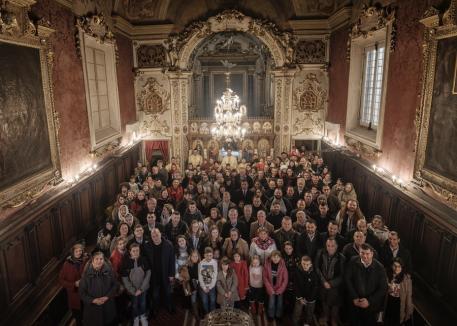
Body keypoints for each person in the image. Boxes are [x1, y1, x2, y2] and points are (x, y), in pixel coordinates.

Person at [345, 243, 388, 326]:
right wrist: (354, 297)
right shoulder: (353, 261)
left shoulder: (380, 267)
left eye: (367, 254)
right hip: (355, 302)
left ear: (372, 254)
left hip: (370, 305)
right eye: (362, 253)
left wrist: (369, 301)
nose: (365, 256)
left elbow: (383, 288)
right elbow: (347, 279)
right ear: (359, 253)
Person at [79, 251, 118, 326]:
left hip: (107, 305)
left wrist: (107, 296)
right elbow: (82, 293)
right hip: (93, 309)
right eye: (97, 259)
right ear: (92, 261)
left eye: (101, 259)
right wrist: (93, 300)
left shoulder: (109, 271)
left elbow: (115, 285)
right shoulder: (86, 275)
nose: (99, 261)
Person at [143, 229, 176, 316]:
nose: (155, 237)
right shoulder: (147, 246)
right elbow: (145, 261)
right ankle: (155, 309)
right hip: (154, 275)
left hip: (166, 274)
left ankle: (169, 306)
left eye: (157, 235)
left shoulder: (168, 245)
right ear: (151, 237)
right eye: (153, 236)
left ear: (160, 234)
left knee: (168, 293)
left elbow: (172, 260)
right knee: (155, 295)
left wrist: (172, 274)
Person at [315, 239, 345, 326]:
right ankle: (326, 317)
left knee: (335, 304)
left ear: (336, 246)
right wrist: (324, 281)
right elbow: (317, 268)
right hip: (323, 283)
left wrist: (331, 283)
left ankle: (334, 319)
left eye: (332, 246)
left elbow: (342, 275)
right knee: (324, 301)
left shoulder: (341, 257)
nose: (330, 248)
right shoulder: (320, 254)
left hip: (335, 286)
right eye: (328, 245)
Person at [121, 243, 151, 326]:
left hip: (143, 288)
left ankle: (143, 316)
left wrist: (141, 289)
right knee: (134, 305)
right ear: (130, 252)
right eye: (133, 251)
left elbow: (148, 274)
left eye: (137, 250)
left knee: (143, 303)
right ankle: (136, 317)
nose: (136, 252)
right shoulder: (126, 262)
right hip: (133, 290)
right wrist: (132, 290)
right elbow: (125, 278)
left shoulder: (144, 259)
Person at [59, 243, 88, 326]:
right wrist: (73, 284)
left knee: (88, 317)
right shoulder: (67, 264)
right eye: (77, 251)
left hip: (86, 293)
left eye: (80, 251)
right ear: (73, 253)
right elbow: (61, 280)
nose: (79, 253)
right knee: (79, 319)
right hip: (75, 296)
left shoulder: (85, 260)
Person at [384, 258, 414, 326]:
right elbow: (382, 291)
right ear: (391, 266)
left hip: (399, 303)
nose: (396, 268)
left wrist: (409, 311)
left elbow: (409, 296)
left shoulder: (406, 279)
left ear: (402, 267)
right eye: (394, 265)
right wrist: (388, 288)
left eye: (399, 266)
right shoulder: (386, 275)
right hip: (388, 302)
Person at [292, 255, 319, 326]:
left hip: (311, 297)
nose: (305, 266)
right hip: (300, 296)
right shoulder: (297, 271)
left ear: (310, 265)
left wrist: (308, 299)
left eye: (307, 264)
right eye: (303, 264)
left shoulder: (314, 273)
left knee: (309, 312)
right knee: (297, 311)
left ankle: (307, 323)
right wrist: (300, 297)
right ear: (301, 263)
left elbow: (315, 287)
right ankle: (295, 323)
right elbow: (295, 285)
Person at [263, 250, 288, 322]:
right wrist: (270, 289)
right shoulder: (267, 265)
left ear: (280, 258)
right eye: (274, 257)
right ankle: (271, 315)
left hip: (280, 288)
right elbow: (265, 278)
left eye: (278, 257)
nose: (276, 259)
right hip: (271, 288)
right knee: (271, 303)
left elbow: (285, 279)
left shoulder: (283, 266)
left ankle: (278, 315)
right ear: (271, 257)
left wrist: (280, 290)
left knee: (280, 303)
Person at [180, 250, 201, 320]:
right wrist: (192, 288)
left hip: (200, 285)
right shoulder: (187, 266)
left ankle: (200, 311)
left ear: (198, 257)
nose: (195, 258)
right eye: (193, 256)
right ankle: (196, 314)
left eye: (196, 256)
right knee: (193, 300)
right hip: (191, 286)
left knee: (201, 298)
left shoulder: (201, 264)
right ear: (190, 257)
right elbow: (185, 279)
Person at [198, 247, 218, 314]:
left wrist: (210, 287)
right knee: (204, 301)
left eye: (210, 255)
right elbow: (200, 276)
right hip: (203, 286)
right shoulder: (201, 263)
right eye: (207, 255)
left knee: (212, 300)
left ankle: (212, 313)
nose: (209, 257)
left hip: (212, 286)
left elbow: (215, 276)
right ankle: (206, 313)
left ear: (212, 255)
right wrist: (204, 287)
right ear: (204, 255)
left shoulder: (214, 262)